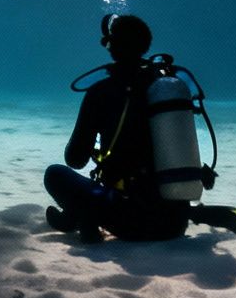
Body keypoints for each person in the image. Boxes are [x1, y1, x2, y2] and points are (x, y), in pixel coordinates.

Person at [44, 15, 194, 242]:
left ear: (111, 46)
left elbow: (75, 159)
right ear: (145, 45)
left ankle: (78, 217)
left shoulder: (101, 91)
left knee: (54, 174)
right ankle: (80, 215)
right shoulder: (165, 88)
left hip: (128, 219)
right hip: (175, 222)